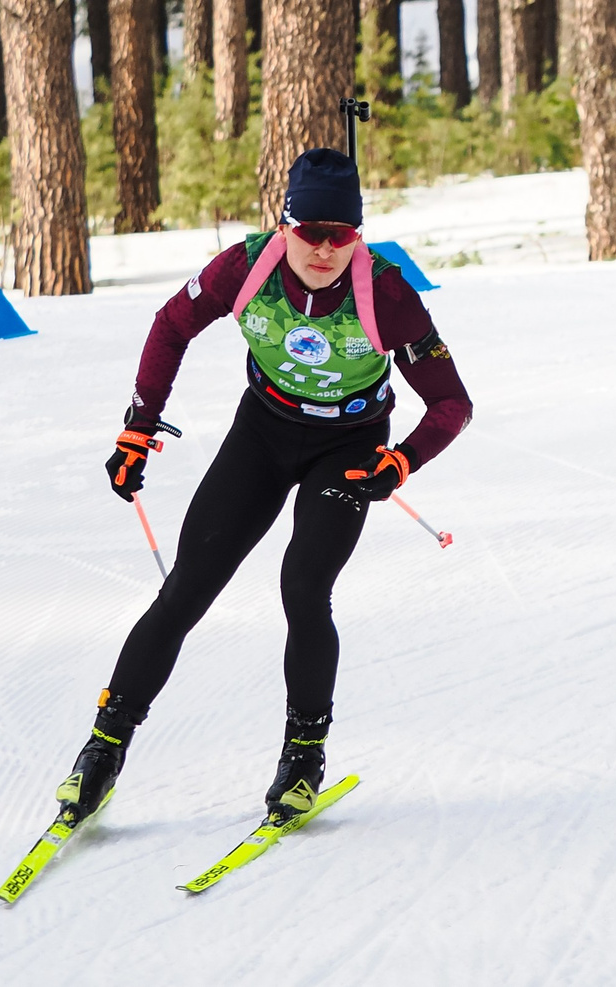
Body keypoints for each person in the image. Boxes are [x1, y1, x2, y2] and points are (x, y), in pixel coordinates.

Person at [49, 148, 473, 828]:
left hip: (349, 445)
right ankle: (103, 748)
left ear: (358, 234)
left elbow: (452, 402)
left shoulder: (387, 294)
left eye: (342, 233)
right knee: (187, 587)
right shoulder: (245, 268)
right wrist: (138, 426)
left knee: (304, 588)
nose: (325, 249)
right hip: (264, 432)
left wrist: (402, 461)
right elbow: (171, 324)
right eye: (311, 231)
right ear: (284, 225)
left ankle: (303, 756)